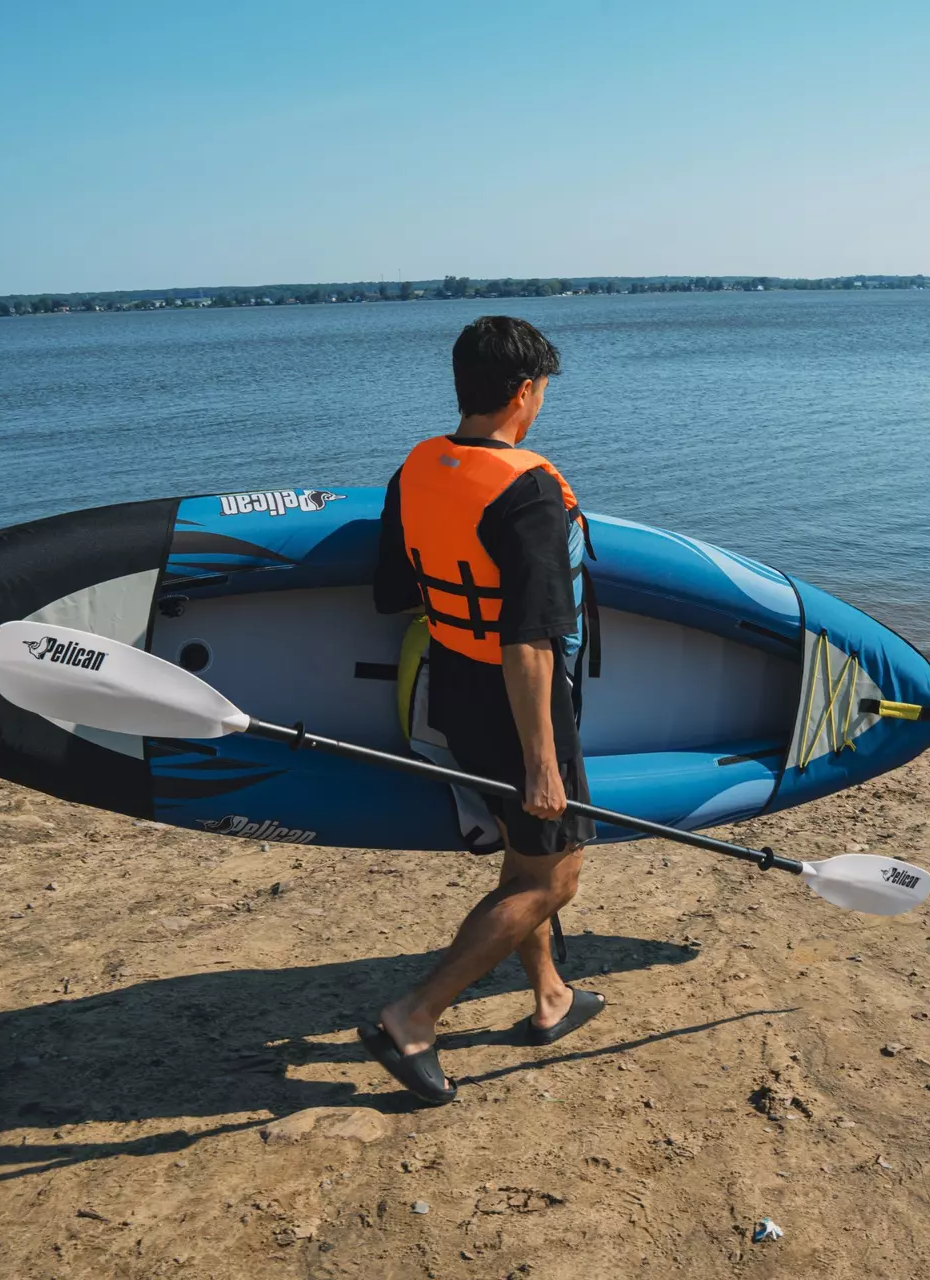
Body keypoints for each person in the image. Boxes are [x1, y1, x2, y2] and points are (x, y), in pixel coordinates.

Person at [361, 315, 605, 1105]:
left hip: (453, 688)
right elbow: (532, 640)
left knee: (521, 858)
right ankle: (413, 1016)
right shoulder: (528, 489)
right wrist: (542, 760)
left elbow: (395, 592)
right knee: (554, 879)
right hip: (519, 707)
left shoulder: (418, 467)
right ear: (525, 392)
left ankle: (551, 998)